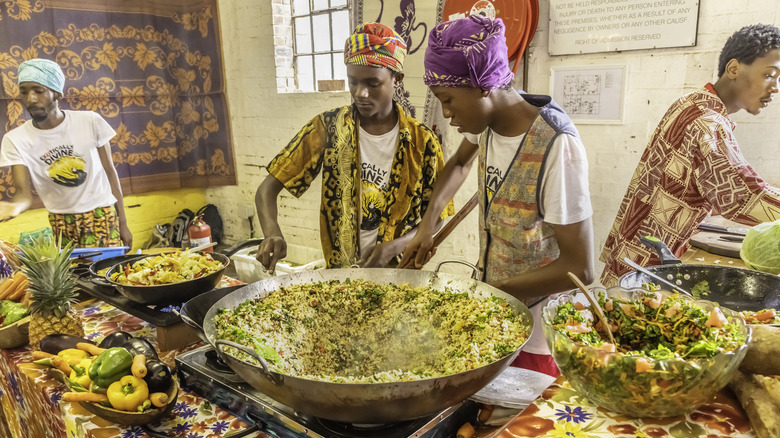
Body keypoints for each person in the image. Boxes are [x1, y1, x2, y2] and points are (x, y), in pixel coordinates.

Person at [400, 15, 595, 377]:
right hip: (499, 307)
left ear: (483, 87)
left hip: (539, 329)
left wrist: (494, 290)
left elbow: (580, 268)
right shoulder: (487, 122)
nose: (445, 113)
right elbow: (458, 164)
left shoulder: (556, 146)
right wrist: (426, 228)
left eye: (448, 100)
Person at [255, 22, 452, 272]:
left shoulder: (422, 142)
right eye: (353, 82)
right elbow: (266, 189)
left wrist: (394, 246)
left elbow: (437, 216)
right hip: (340, 277)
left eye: (372, 83)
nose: (361, 93)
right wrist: (273, 233)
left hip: (400, 276)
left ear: (397, 80)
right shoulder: (327, 128)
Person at [600, 24, 780, 286]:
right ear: (734, 69)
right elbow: (743, 196)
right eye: (769, 74)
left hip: (635, 248)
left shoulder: (691, 101)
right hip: (650, 265)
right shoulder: (707, 122)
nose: (775, 88)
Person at [0, 59, 132, 249]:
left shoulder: (90, 122)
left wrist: (123, 223)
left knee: (105, 274)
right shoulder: (15, 140)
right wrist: (15, 207)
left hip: (101, 215)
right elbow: (23, 194)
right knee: (74, 277)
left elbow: (110, 173)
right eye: (24, 91)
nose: (30, 99)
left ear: (57, 93)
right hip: (61, 222)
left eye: (38, 91)